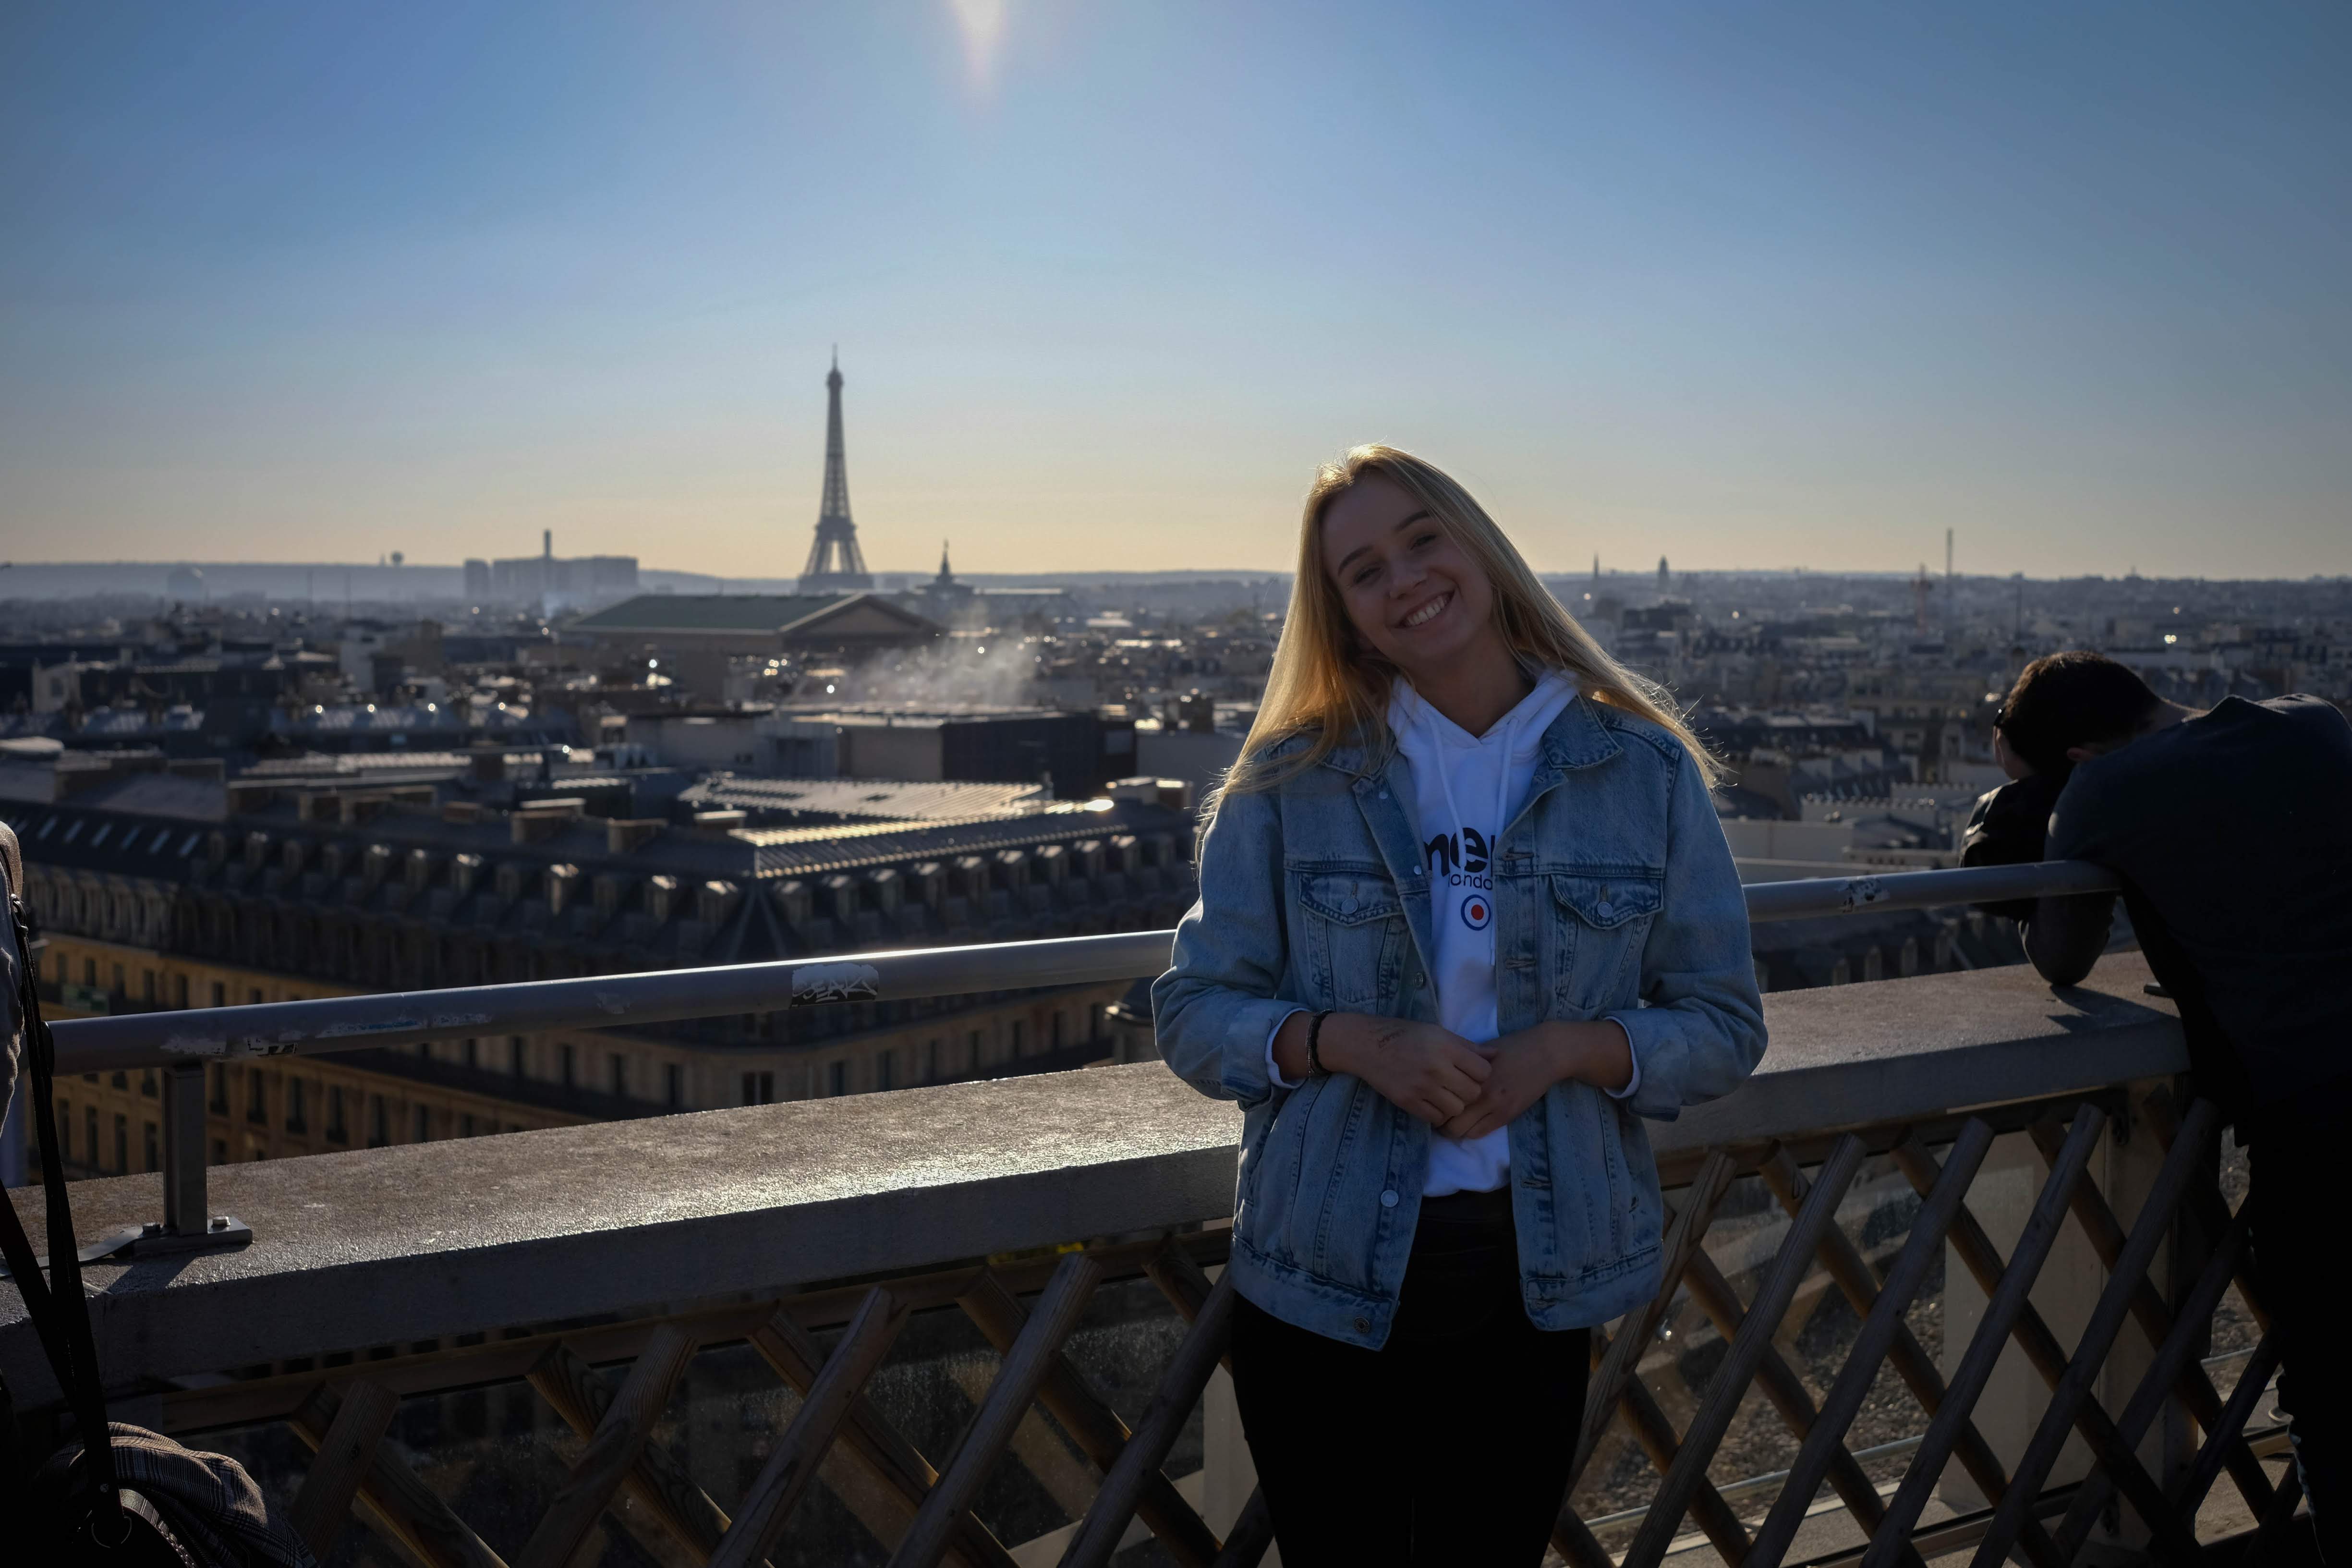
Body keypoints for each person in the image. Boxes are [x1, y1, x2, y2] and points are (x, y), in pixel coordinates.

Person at [1152, 445, 1767, 1565]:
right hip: (1324, 1271)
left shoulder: (1644, 770)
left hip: (1531, 1275)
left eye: (1421, 539)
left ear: (1479, 546)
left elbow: (1725, 1026)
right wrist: (1348, 1041)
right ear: (1340, 612)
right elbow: (1193, 1013)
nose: (1404, 579)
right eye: (1363, 570)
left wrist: (1566, 1049)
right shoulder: (1288, 777)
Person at [1990, 650, 2352, 1563]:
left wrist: (2044, 819)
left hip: (2315, 1116)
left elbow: (2060, 956)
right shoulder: (2314, 721)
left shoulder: (2102, 791)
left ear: (2074, 757)